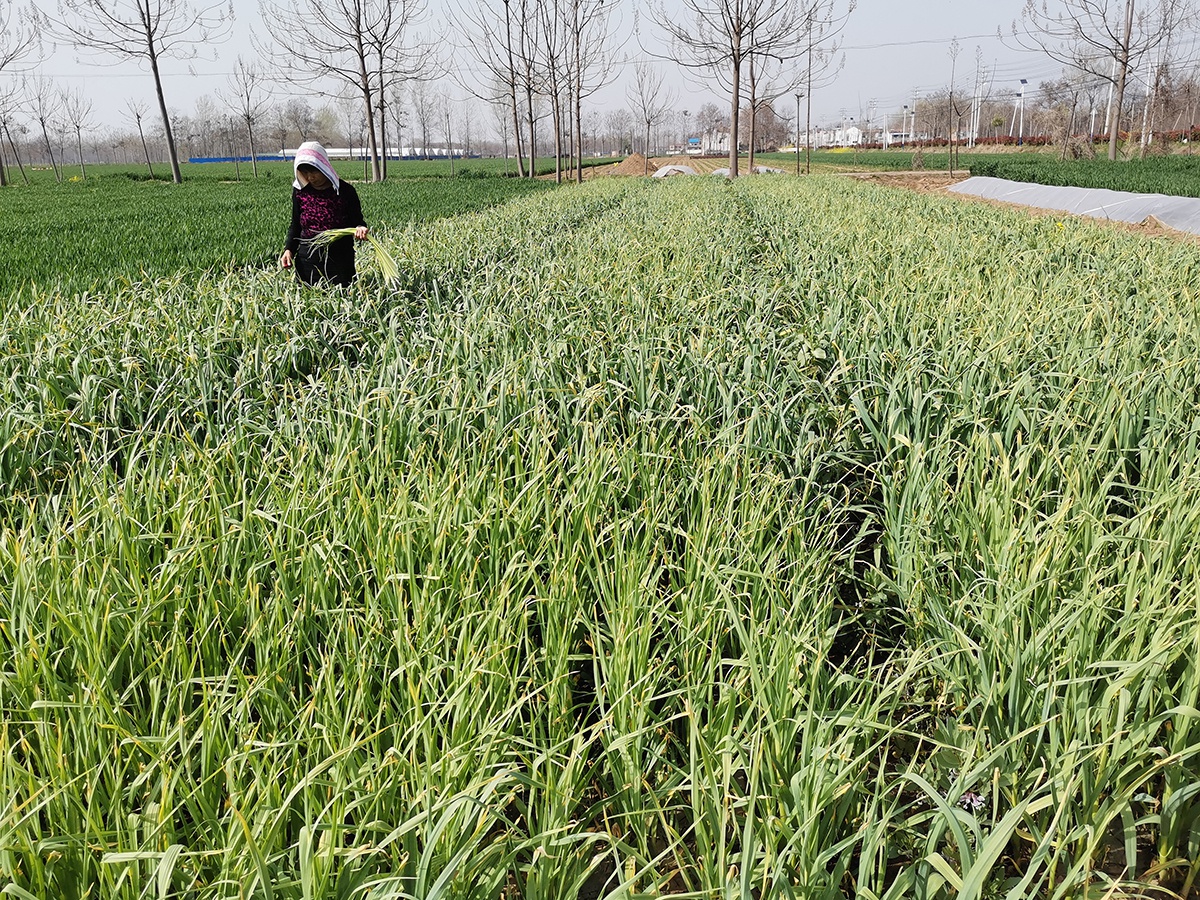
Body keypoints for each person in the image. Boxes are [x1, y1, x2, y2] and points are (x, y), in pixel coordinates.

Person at [279, 142, 369, 286]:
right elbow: (295, 224)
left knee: (341, 296)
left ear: (324, 166)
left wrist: (360, 228)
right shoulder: (300, 192)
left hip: (339, 260)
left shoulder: (345, 191)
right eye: (305, 172)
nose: (310, 177)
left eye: (314, 171)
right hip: (307, 260)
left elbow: (357, 221)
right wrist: (289, 250)